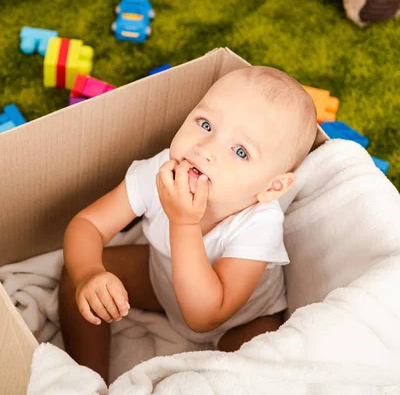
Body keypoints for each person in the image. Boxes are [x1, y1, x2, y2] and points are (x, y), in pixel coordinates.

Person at [58, 65, 318, 383]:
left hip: (241, 320)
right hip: (161, 280)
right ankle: (87, 381)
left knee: (249, 373)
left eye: (240, 151)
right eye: (205, 124)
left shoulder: (259, 225)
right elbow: (89, 224)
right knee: (76, 273)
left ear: (272, 188)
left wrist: (183, 223)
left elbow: (204, 316)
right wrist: (90, 274)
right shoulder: (162, 171)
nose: (204, 149)